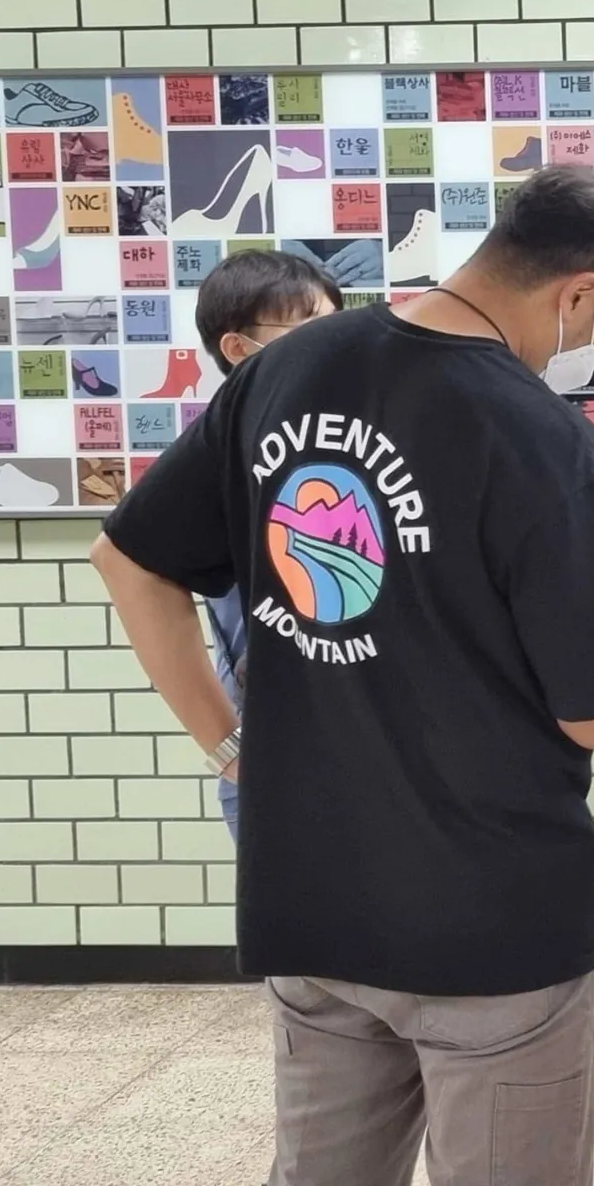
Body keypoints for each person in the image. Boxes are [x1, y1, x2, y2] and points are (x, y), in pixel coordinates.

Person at [90, 167, 594, 1186]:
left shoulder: (289, 369)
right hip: (491, 920)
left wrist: (230, 746)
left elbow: (128, 558)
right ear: (578, 294)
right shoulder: (534, 430)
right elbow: (592, 711)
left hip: (313, 898)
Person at [191, 249, 344, 846]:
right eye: (310, 329)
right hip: (275, 760)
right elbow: (125, 564)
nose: (333, 346)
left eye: (336, 326)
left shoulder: (344, 443)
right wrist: (228, 748)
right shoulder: (220, 458)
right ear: (238, 348)